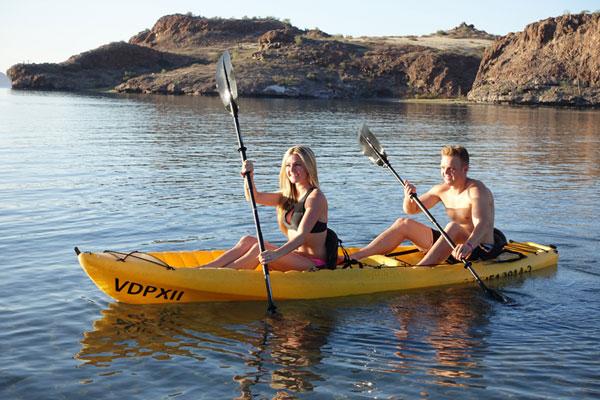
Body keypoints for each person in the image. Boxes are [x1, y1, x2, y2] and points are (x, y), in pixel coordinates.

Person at [349, 145, 506, 266]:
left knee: (453, 227)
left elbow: (483, 224)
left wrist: (469, 246)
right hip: (454, 244)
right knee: (403, 224)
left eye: (451, 169)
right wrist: (407, 197)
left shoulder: (477, 190)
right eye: (443, 168)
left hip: (479, 248)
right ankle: (356, 256)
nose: (445, 173)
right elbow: (412, 210)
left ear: (465, 169)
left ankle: (420, 270)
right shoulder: (441, 189)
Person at [196, 145, 335, 271]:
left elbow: (300, 237)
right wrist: (249, 177)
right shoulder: (288, 196)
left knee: (259, 248)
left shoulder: (316, 198)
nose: (291, 170)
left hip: (314, 264)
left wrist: (275, 254)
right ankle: (205, 269)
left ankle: (221, 276)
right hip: (295, 256)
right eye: (288, 165)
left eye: (297, 165)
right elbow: (254, 197)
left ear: (308, 167)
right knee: (247, 240)